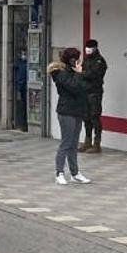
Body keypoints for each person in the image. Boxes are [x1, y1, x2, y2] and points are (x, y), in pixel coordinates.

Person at [48, 48, 91, 186]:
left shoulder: (73, 72)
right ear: (71, 59)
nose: (79, 61)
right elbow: (72, 87)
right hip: (66, 111)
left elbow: (83, 87)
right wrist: (78, 74)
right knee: (66, 143)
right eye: (77, 58)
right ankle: (59, 173)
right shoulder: (60, 73)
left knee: (73, 144)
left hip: (78, 110)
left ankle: (75, 173)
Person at [80, 39, 109, 153]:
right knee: (86, 117)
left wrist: (82, 73)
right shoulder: (87, 60)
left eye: (89, 47)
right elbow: (82, 71)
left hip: (95, 92)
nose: (87, 49)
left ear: (95, 48)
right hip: (85, 92)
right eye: (86, 47)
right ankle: (87, 141)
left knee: (94, 117)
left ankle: (97, 144)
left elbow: (91, 74)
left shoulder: (99, 61)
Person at [11, 49, 29, 131]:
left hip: (26, 86)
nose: (24, 55)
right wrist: (18, 89)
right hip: (21, 87)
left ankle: (24, 124)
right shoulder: (18, 64)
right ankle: (22, 124)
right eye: (23, 53)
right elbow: (17, 76)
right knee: (22, 106)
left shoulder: (26, 63)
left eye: (25, 53)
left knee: (24, 105)